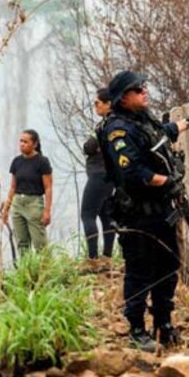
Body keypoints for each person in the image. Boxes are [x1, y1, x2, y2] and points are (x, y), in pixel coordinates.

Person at [100, 70, 189, 352]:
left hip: (161, 210)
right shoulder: (117, 130)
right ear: (123, 98)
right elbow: (134, 173)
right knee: (140, 270)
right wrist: (168, 181)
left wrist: (188, 123)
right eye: (138, 89)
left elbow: (162, 134)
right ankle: (136, 329)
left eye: (144, 86)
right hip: (137, 214)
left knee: (167, 266)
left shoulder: (143, 120)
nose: (144, 91)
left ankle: (163, 323)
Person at [0, 129, 53, 255]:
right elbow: (13, 187)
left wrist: (47, 211)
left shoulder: (42, 162)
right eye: (21, 141)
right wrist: (6, 208)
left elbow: (48, 188)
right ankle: (26, 271)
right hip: (18, 203)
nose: (22, 144)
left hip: (34, 203)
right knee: (22, 242)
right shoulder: (17, 162)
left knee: (39, 243)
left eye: (26, 142)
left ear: (34, 144)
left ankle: (45, 271)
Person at [81, 88, 116, 261]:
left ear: (108, 104)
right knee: (105, 215)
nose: (95, 106)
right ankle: (107, 256)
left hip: (98, 175)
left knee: (87, 214)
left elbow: (88, 147)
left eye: (97, 103)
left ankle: (93, 258)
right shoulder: (117, 123)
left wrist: (93, 147)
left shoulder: (105, 125)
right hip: (110, 177)